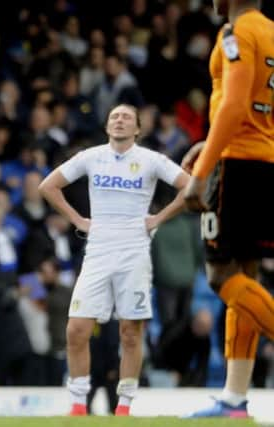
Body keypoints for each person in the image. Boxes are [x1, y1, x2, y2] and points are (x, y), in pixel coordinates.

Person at [38, 103, 190, 416]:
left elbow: (190, 187)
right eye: (114, 117)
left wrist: (157, 218)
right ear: (108, 127)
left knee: (130, 332)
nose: (119, 121)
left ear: (137, 129)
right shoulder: (91, 157)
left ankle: (124, 405)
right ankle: (78, 404)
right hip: (97, 250)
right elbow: (48, 186)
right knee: (76, 329)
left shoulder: (151, 160)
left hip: (134, 251)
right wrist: (78, 219)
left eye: (126, 118)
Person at [182, 0, 274, 418]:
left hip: (236, 166)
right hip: (264, 162)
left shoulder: (233, 34)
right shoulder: (271, 31)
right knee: (246, 275)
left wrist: (202, 172)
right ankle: (235, 399)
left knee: (220, 277)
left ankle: (234, 398)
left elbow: (234, 105)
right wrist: (210, 144)